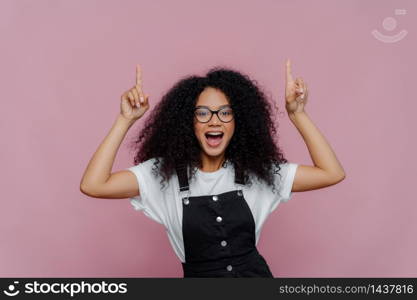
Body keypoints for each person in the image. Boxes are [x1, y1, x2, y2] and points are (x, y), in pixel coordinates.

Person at [80, 60, 346, 278]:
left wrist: (298, 114)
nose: (214, 121)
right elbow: (94, 185)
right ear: (188, 122)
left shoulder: (258, 173)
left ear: (237, 121)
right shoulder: (162, 176)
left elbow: (331, 172)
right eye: (203, 113)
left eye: (225, 112)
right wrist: (124, 120)